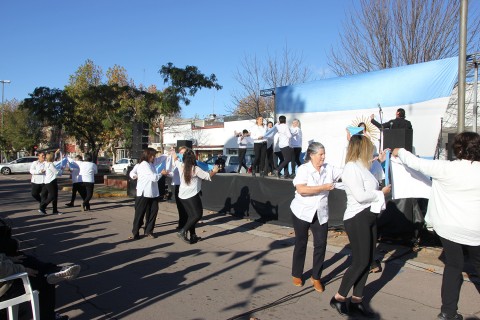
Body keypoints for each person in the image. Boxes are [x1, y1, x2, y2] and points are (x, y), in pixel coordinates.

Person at [392, 132, 480, 320]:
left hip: (448, 228)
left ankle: (447, 312)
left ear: (458, 149)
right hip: (476, 230)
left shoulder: (445, 168)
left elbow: (416, 163)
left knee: (453, 267)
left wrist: (400, 151)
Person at [330, 134, 390, 318]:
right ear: (361, 147)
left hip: (369, 216)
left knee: (369, 259)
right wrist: (380, 193)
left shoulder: (364, 166)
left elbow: (376, 170)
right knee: (360, 261)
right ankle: (339, 298)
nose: (371, 150)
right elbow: (360, 196)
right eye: (369, 147)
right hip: (357, 218)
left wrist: (380, 159)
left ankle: (357, 300)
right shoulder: (351, 168)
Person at [290, 142, 342, 292]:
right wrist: (323, 187)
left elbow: (347, 172)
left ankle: (316, 276)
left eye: (324, 154)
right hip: (302, 211)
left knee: (321, 244)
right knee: (301, 241)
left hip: (320, 212)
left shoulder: (329, 169)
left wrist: (371, 161)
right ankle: (297, 273)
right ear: (312, 155)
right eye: (320, 154)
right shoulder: (303, 169)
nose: (323, 157)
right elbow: (301, 189)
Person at [0, 253, 80, 320]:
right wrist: (23, 269)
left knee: (27, 258)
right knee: (44, 280)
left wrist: (8, 258)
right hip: (4, 288)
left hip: (4, 277)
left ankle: (54, 269)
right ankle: (49, 317)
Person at [173, 149, 219, 244]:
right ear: (194, 158)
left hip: (182, 195)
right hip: (192, 195)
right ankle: (182, 231)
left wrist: (173, 152)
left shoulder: (181, 165)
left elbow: (175, 159)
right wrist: (215, 170)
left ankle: (193, 236)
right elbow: (208, 176)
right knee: (197, 215)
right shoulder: (195, 169)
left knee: (191, 216)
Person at [129, 148, 164, 240]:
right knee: (140, 213)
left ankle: (149, 230)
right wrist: (161, 173)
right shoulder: (143, 165)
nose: (154, 158)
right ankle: (135, 231)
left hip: (153, 193)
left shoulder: (151, 164)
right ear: (148, 155)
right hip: (144, 193)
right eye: (152, 156)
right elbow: (153, 178)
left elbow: (160, 159)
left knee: (153, 211)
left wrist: (171, 153)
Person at [167, 146, 189, 230]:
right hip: (178, 185)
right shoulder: (177, 162)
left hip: (186, 186)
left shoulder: (188, 162)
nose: (182, 154)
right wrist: (167, 174)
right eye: (181, 152)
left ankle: (187, 224)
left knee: (186, 206)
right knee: (180, 206)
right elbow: (173, 173)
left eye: (184, 152)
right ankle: (182, 224)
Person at [39, 150, 62, 215]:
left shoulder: (47, 163)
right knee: (52, 196)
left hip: (48, 181)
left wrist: (56, 152)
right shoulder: (50, 165)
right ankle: (42, 207)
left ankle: (55, 210)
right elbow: (57, 173)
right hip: (51, 181)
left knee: (55, 196)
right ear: (52, 158)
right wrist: (61, 169)